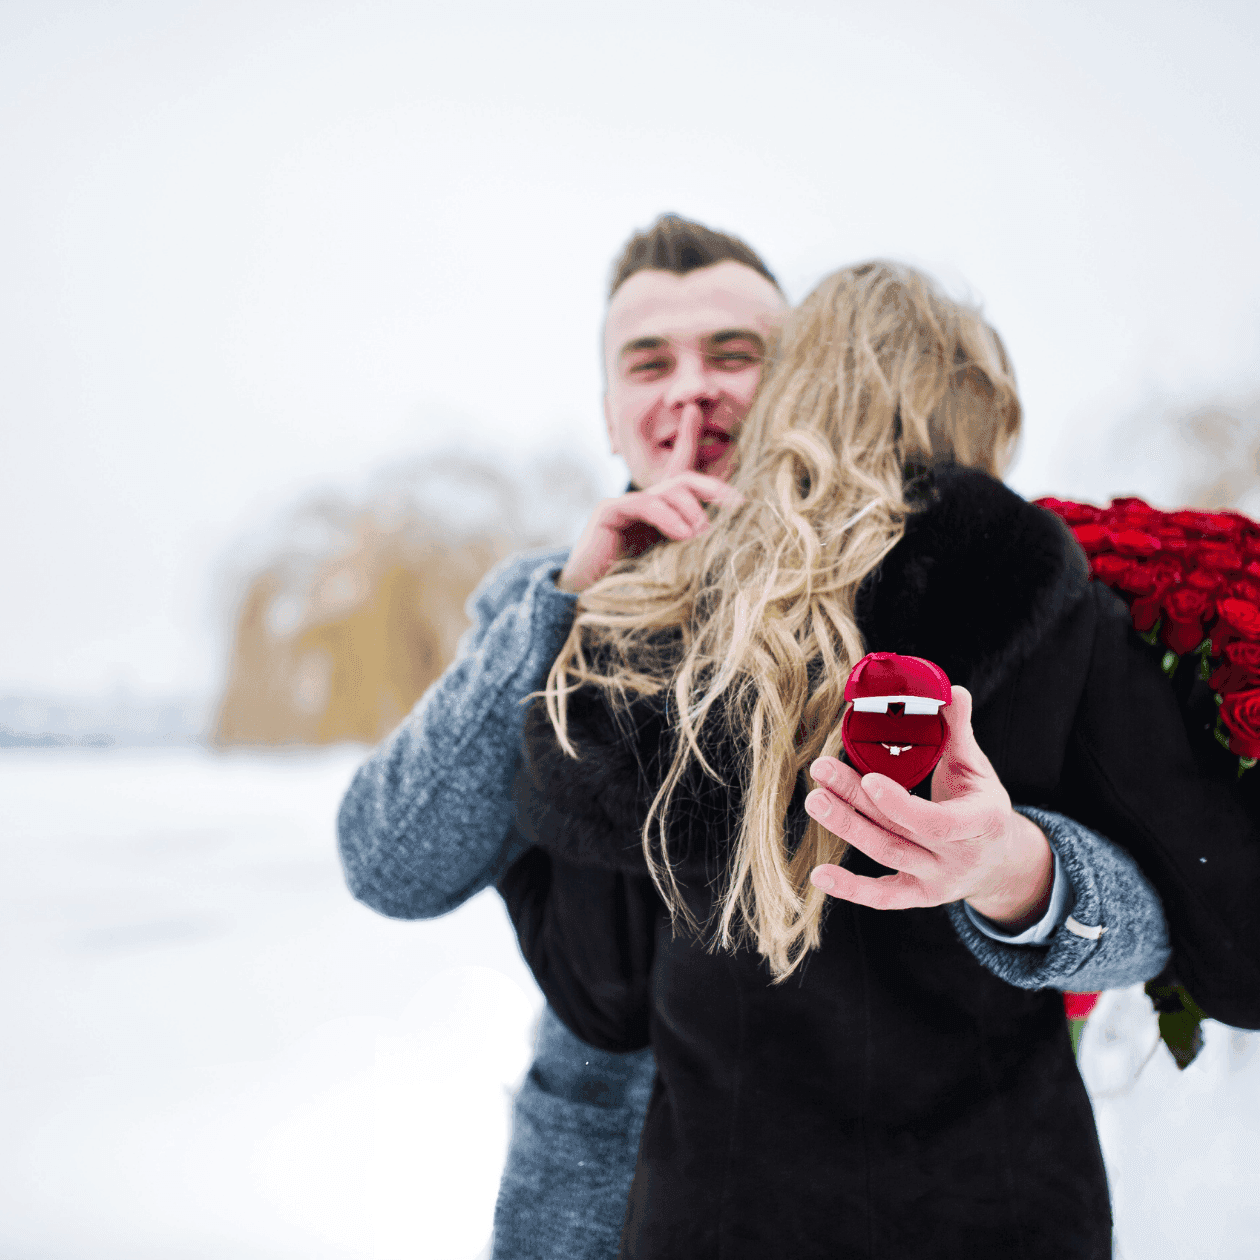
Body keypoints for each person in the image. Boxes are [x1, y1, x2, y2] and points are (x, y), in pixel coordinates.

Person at [337, 221, 1175, 1259]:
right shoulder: (537, 605)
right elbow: (390, 865)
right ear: (610, 414)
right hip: (592, 1214)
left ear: (809, 380)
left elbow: (1154, 913)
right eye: (650, 363)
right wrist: (566, 608)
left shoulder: (967, 583)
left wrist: (1019, 869)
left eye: (735, 354)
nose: (691, 388)